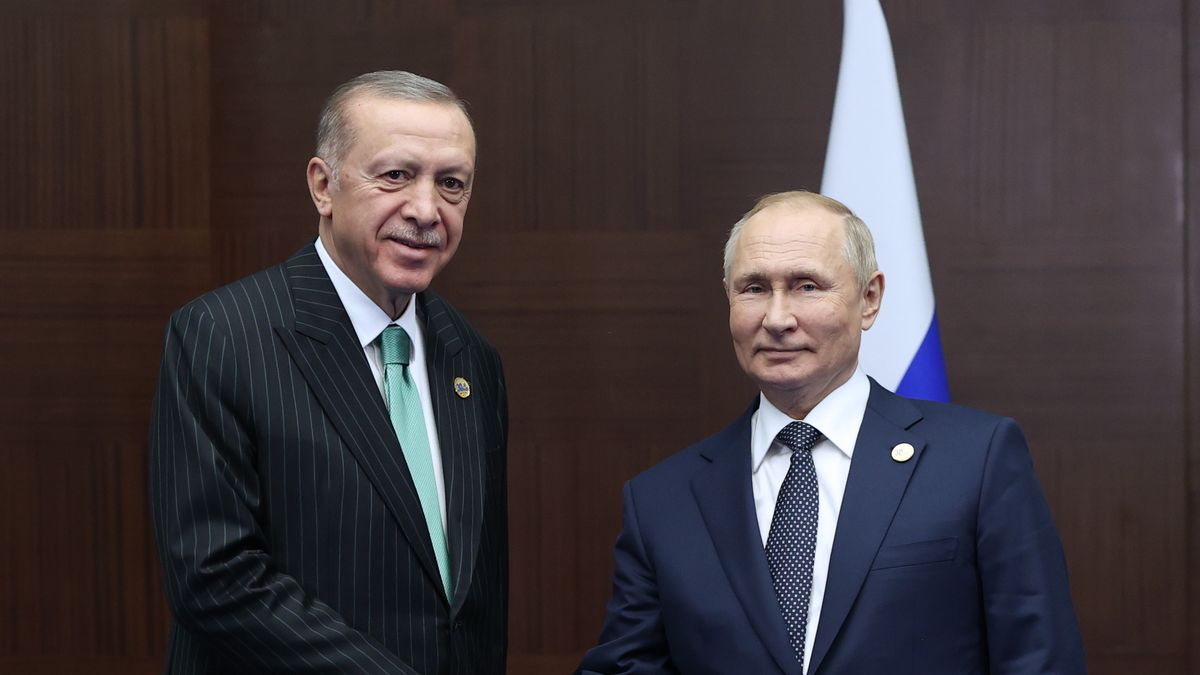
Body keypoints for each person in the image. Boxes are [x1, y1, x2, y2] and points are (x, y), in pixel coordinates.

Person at [577, 191, 1085, 674]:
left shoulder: (975, 461)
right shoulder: (661, 501)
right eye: (754, 288)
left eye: (807, 286)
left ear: (869, 299)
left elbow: (1038, 660)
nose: (777, 318)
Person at [149, 71, 507, 674]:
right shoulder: (222, 335)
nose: (426, 210)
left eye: (452, 184)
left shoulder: (471, 357)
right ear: (323, 186)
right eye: (395, 175)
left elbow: (474, 598)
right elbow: (214, 578)